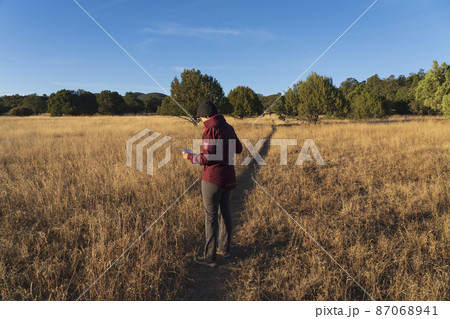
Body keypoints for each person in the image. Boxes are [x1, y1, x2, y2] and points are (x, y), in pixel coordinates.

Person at [182, 100, 243, 267]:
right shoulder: (229, 128)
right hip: (228, 177)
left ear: (207, 116)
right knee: (225, 213)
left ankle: (209, 257)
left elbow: (207, 158)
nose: (201, 121)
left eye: (201, 118)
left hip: (213, 180)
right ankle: (224, 249)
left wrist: (190, 156)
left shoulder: (211, 130)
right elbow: (239, 149)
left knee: (210, 217)